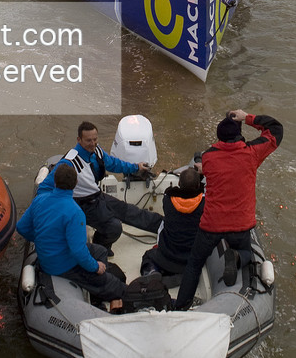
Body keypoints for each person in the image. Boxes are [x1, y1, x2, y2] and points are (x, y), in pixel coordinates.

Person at [174, 109, 283, 311]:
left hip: (212, 225)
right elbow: (276, 129)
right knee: (247, 252)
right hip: (240, 225)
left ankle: (180, 307)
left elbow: (205, 168)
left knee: (194, 263)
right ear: (239, 135)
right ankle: (238, 257)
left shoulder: (209, 157)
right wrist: (247, 117)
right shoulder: (252, 153)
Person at [16, 162, 124, 308]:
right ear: (76, 183)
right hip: (62, 266)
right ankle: (99, 293)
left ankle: (96, 290)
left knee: (101, 251)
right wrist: (95, 267)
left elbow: (21, 227)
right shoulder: (75, 212)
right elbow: (78, 251)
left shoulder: (39, 200)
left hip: (48, 258)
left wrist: (41, 239)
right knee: (114, 284)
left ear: (55, 182)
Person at [57, 121, 161, 248]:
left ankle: (164, 225)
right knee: (114, 227)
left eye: (95, 139)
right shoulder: (69, 162)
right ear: (79, 140)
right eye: (88, 140)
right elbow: (47, 185)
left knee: (129, 211)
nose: (93, 143)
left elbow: (113, 163)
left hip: (97, 197)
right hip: (82, 205)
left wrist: (136, 168)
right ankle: (100, 248)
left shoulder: (96, 151)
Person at [141, 165, 205, 278]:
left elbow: (170, 192)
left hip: (168, 255)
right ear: (198, 185)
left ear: (179, 183)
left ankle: (151, 272)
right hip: (190, 258)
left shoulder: (168, 200)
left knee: (148, 256)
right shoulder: (204, 204)